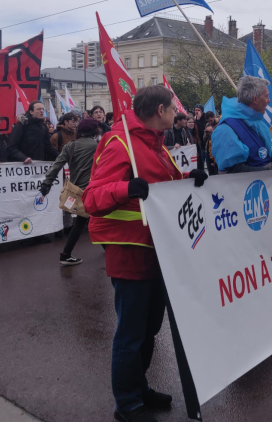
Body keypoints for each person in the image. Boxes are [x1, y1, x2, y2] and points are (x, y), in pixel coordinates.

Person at [82, 85, 207, 422]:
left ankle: (139, 387)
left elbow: (164, 185)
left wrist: (189, 179)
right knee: (132, 331)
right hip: (129, 251)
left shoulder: (155, 144)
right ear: (159, 111)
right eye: (172, 108)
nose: (176, 114)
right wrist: (125, 189)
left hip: (158, 249)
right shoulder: (119, 142)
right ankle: (127, 403)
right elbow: (92, 198)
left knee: (150, 327)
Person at [40, 118, 100, 266]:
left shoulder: (70, 146)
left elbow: (56, 165)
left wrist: (46, 183)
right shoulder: (98, 146)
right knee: (90, 220)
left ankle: (68, 253)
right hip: (94, 189)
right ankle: (65, 254)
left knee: (86, 220)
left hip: (77, 190)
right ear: (94, 131)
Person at [211, 76, 272, 174]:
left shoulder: (259, 123)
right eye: (266, 96)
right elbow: (232, 171)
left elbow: (261, 160)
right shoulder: (226, 129)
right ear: (255, 99)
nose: (269, 100)